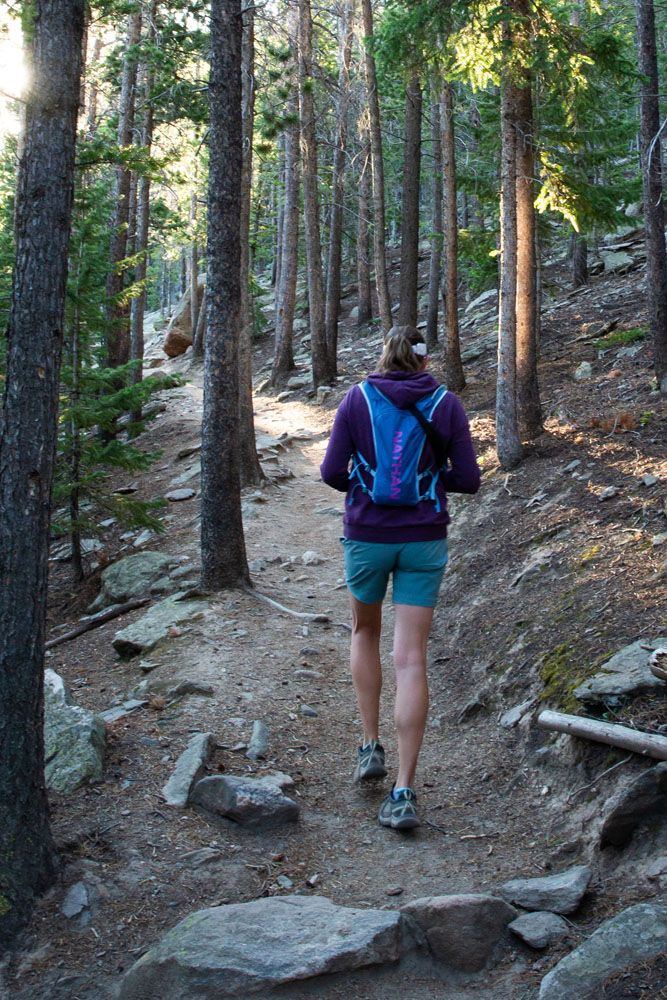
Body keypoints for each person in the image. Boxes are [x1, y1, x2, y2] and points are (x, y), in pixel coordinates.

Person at [320, 326, 481, 831]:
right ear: (423, 359)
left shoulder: (356, 399)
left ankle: (370, 745)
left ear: (382, 355)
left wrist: (365, 489)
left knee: (364, 631)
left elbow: (330, 471)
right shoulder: (447, 404)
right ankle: (405, 789)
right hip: (424, 537)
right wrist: (429, 482)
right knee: (411, 658)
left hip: (367, 535)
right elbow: (469, 479)